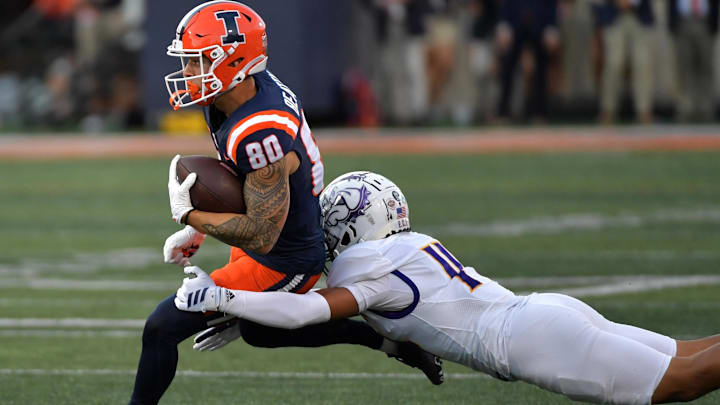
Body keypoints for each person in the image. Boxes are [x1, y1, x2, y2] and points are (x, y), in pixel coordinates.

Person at [176, 170, 720, 404]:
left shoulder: (365, 268)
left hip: (531, 340)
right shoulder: (406, 247)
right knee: (690, 355)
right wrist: (245, 313)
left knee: (685, 380)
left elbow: (306, 315)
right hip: (542, 314)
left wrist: (225, 297)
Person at [128, 3, 442, 404]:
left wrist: (190, 214)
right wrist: (195, 231)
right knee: (262, 330)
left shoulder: (261, 130)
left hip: (286, 256)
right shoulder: (233, 93)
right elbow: (242, 181)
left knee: (161, 327)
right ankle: (394, 343)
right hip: (271, 234)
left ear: (235, 63)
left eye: (198, 62)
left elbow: (262, 234)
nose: (189, 73)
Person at [668, 0, 719, 122]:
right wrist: (672, 24)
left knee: (706, 69)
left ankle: (706, 109)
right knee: (683, 69)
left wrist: (714, 24)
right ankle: (685, 109)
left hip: (705, 23)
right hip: (682, 23)